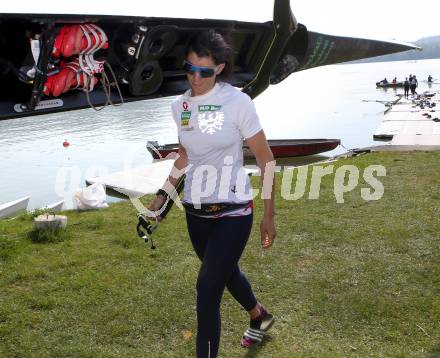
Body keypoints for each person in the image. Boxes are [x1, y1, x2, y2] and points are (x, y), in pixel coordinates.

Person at [147, 30, 276, 358]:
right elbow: (185, 156)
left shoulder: (238, 102)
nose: (195, 77)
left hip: (233, 210)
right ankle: (259, 316)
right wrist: (162, 198)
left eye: (204, 71)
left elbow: (265, 159)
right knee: (225, 272)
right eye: (190, 69)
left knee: (207, 289)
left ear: (219, 68)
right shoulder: (181, 106)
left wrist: (269, 214)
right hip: (196, 212)